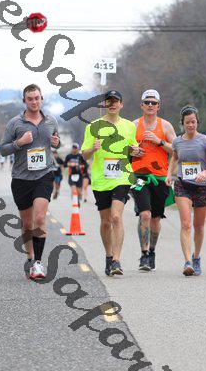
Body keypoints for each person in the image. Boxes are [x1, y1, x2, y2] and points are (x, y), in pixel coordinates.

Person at [0, 83, 60, 279]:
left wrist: (57, 143)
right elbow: (3, 149)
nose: (34, 102)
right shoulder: (15, 123)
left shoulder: (51, 121)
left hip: (44, 175)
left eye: (37, 98)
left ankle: (38, 263)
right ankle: (30, 257)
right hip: (21, 178)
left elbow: (56, 142)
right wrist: (19, 142)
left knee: (40, 218)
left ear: (42, 98)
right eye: (30, 99)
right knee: (27, 223)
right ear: (24, 101)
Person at [81, 90, 141, 276]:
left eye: (116, 101)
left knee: (116, 217)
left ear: (121, 104)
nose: (112, 104)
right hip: (101, 179)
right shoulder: (93, 126)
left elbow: (133, 148)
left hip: (122, 176)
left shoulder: (129, 126)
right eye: (109, 101)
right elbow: (84, 155)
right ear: (104, 104)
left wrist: (135, 150)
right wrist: (93, 148)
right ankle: (108, 256)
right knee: (106, 221)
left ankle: (116, 260)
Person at [166, 105, 206, 276]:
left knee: (199, 226)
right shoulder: (177, 141)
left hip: (202, 187)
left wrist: (205, 172)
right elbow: (174, 157)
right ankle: (187, 261)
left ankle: (196, 257)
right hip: (183, 185)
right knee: (186, 224)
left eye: (193, 122)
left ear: (197, 122)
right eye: (187, 122)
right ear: (182, 123)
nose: (191, 125)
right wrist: (169, 174)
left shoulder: (205, 140)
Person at [131, 89, 177, 271]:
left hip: (160, 177)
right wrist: (132, 150)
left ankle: (152, 251)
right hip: (139, 176)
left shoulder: (166, 126)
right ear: (141, 105)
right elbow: (123, 148)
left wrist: (159, 141)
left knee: (156, 218)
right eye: (147, 102)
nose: (150, 105)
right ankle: (143, 255)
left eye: (153, 103)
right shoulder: (134, 125)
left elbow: (177, 150)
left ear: (158, 106)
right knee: (145, 214)